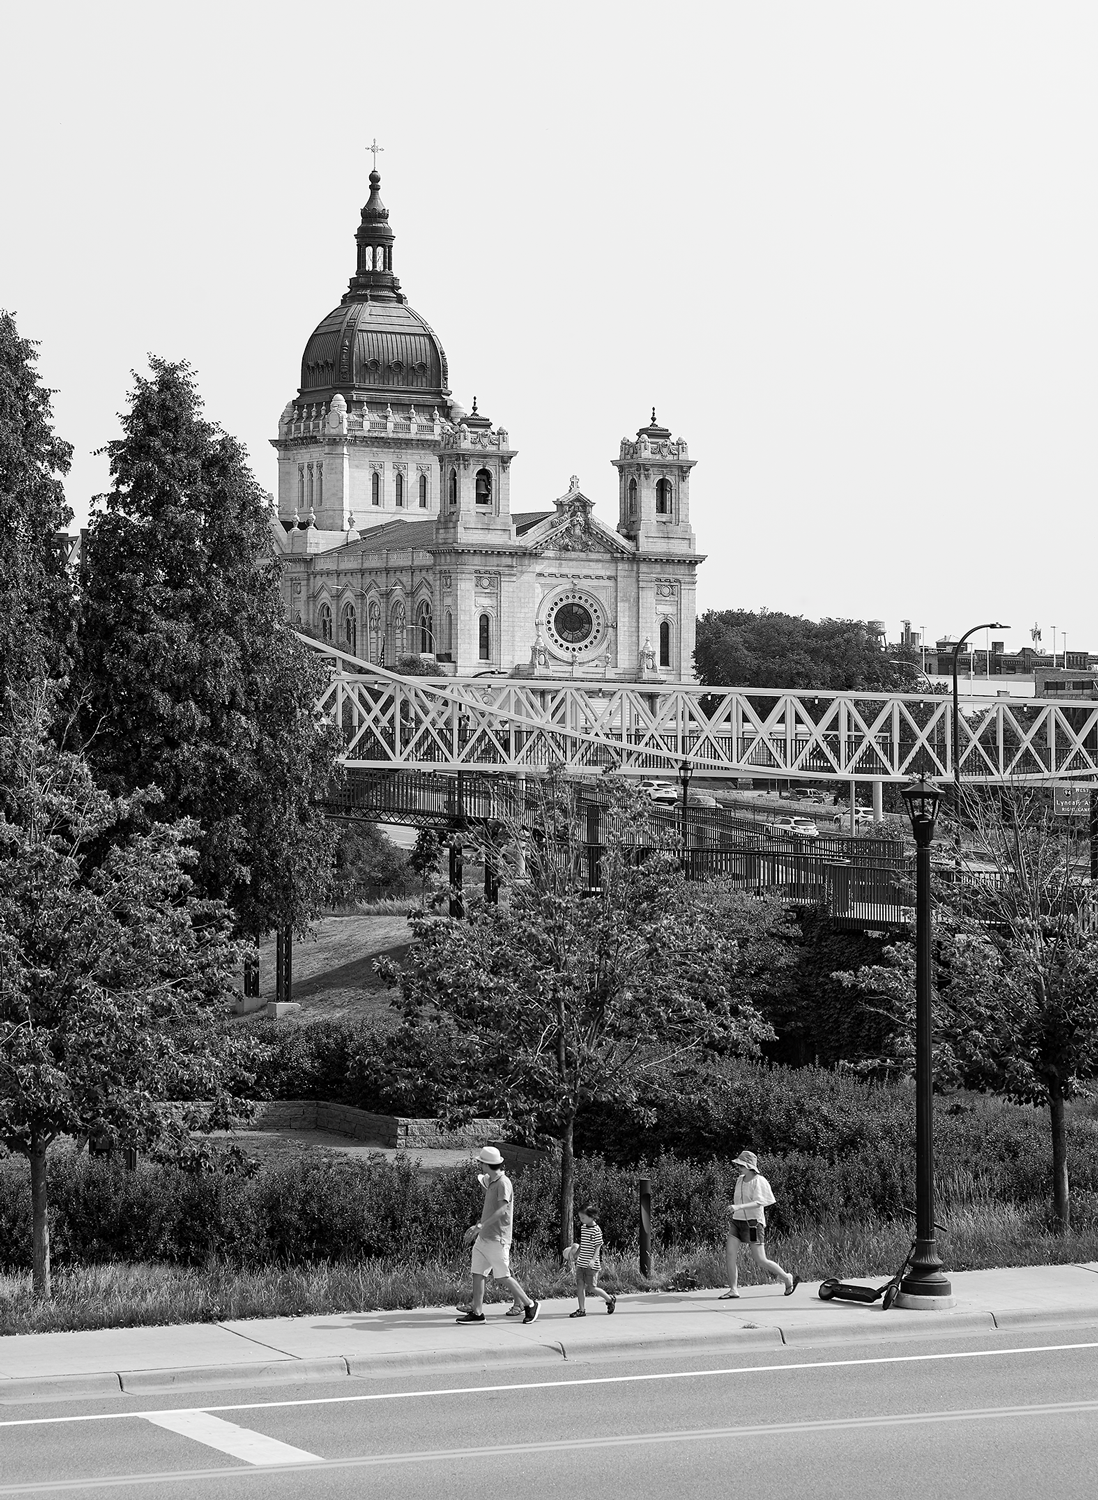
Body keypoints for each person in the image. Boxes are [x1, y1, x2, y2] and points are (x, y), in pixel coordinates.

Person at [455, 1146, 540, 1324]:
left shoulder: (503, 1183)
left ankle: (529, 1304)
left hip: (497, 1238)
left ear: (486, 1164)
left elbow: (502, 1210)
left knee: (502, 1276)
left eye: (481, 1162)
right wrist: (480, 1229)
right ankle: (477, 1313)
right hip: (484, 1238)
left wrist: (479, 1225)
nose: (479, 1164)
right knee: (477, 1273)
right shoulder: (492, 1182)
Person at [721, 1149, 800, 1299]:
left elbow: (760, 1202)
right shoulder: (740, 1180)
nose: (738, 1168)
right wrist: (736, 1209)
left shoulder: (759, 1181)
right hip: (737, 1221)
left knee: (760, 1259)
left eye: (741, 1166)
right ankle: (733, 1290)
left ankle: (786, 1277)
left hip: (753, 1223)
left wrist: (738, 1207)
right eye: (738, 1165)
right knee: (730, 1254)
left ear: (749, 1167)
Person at [564, 1204, 617, 1318]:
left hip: (591, 1265)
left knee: (591, 1287)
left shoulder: (596, 1230)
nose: (581, 1220)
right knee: (580, 1285)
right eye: (580, 1217)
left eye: (583, 1217)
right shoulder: (584, 1228)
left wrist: (593, 1259)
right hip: (581, 1263)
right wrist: (577, 1253)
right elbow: (583, 1243)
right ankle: (581, 1310)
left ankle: (609, 1299)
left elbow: (598, 1246)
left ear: (592, 1216)